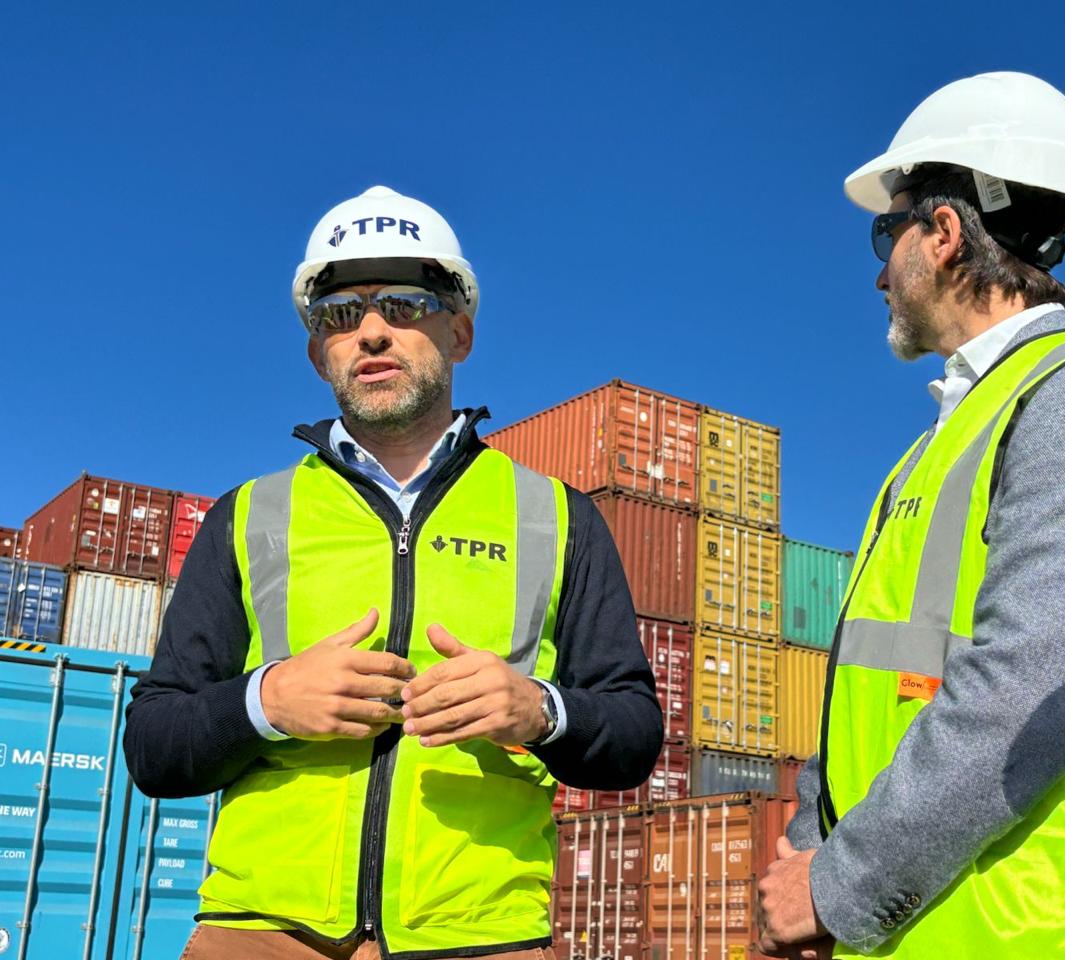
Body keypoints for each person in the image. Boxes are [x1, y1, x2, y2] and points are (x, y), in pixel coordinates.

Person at [124, 185, 664, 960]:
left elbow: (635, 738)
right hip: (261, 933)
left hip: (485, 937)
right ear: (319, 353)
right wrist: (268, 701)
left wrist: (537, 710)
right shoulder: (249, 515)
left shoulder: (557, 517)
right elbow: (152, 747)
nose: (372, 331)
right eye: (341, 314)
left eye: (406, 305)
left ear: (460, 332)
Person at [757, 72, 1065, 959]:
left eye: (886, 233)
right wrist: (814, 853)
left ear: (944, 234)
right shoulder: (938, 448)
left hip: (1033, 938)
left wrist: (843, 885)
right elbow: (863, 702)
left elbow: (1028, 687)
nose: (879, 270)